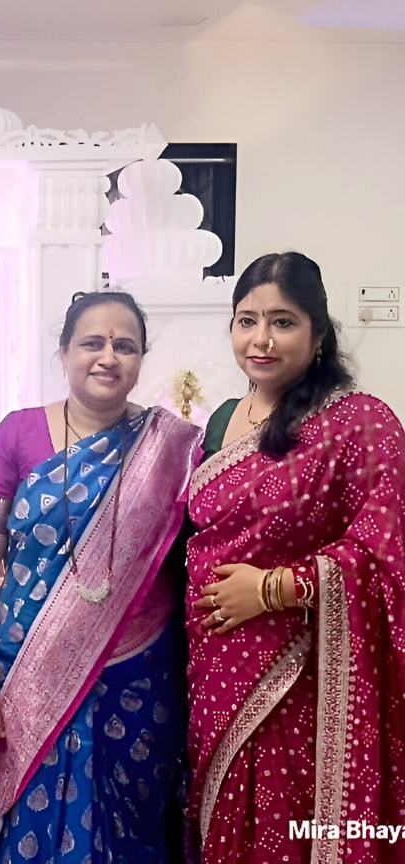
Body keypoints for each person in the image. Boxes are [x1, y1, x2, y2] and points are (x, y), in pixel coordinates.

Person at [0, 291, 203, 863]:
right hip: (28, 674)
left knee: (137, 831)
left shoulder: (173, 450)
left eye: (125, 346)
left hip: (141, 681)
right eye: (92, 343)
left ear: (141, 358)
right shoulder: (16, 437)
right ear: (64, 351)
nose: (108, 357)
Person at [186, 252, 405, 863]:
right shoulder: (224, 419)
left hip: (305, 675)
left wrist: (275, 588)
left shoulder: (361, 421)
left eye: (282, 322)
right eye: (246, 320)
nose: (260, 339)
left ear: (319, 332)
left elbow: (386, 546)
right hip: (213, 666)